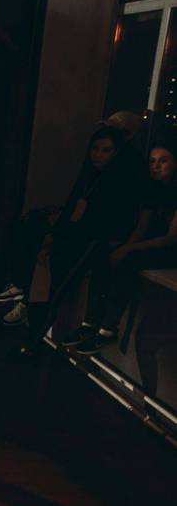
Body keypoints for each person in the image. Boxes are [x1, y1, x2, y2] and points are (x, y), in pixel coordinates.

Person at [0, 126, 139, 348]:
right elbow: (73, 207)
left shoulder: (117, 180)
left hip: (89, 241)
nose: (98, 155)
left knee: (56, 293)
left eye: (106, 150)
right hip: (73, 238)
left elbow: (106, 219)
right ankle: (32, 338)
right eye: (95, 149)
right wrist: (55, 234)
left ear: (116, 152)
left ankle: (32, 343)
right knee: (49, 290)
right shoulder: (89, 176)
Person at [74, 138, 177, 354]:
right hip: (154, 245)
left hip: (171, 250)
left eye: (163, 161)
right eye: (152, 161)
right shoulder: (153, 190)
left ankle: (108, 329)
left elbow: (170, 239)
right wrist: (122, 247)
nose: (156, 166)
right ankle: (90, 322)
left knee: (128, 260)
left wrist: (128, 250)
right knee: (105, 253)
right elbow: (141, 229)